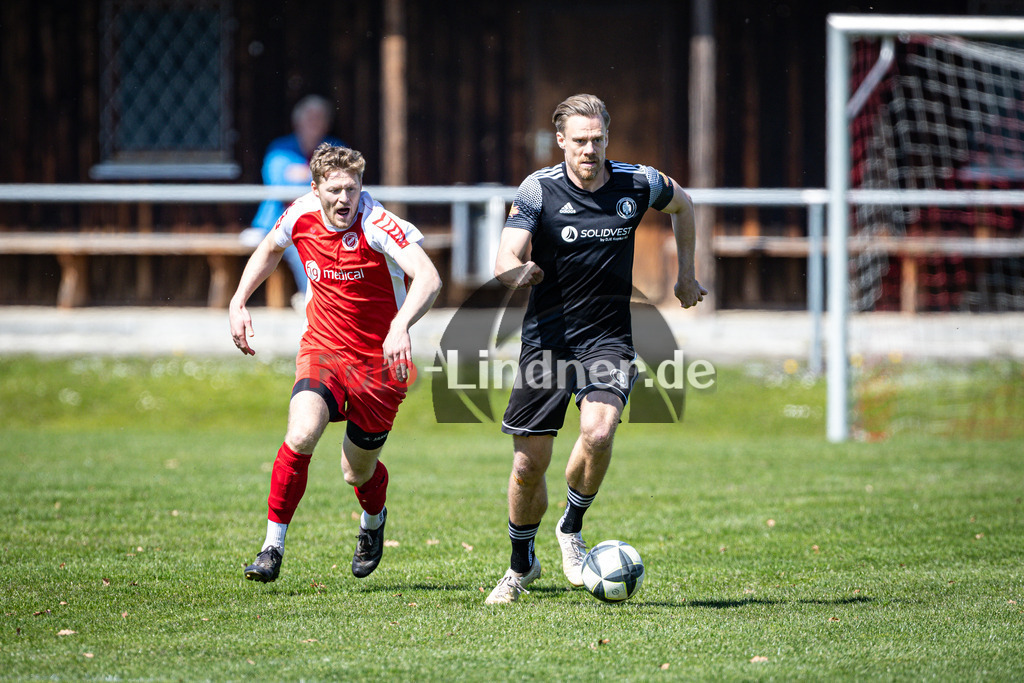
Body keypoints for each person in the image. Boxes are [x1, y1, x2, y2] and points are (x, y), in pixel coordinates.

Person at [485, 94, 706, 604]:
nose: (590, 148)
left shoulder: (637, 182)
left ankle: (571, 527)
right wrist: (518, 271)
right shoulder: (539, 190)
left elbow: (685, 204)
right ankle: (521, 566)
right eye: (580, 140)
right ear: (560, 140)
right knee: (527, 467)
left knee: (600, 431)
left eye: (598, 139)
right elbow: (505, 253)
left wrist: (687, 274)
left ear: (608, 136)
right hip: (547, 340)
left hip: (607, 336)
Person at [230, 143, 442, 583]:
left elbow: (429, 277)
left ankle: (373, 521)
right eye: (335, 189)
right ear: (316, 189)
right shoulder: (300, 213)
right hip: (322, 349)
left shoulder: (379, 223)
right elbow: (270, 248)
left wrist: (400, 325)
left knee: (355, 471)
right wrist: (238, 300)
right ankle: (272, 546)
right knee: (302, 431)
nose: (345, 199)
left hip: (379, 364)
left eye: (353, 187)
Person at [240, 94, 347, 300]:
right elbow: (278, 183)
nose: (314, 122)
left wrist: (303, 174)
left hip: (327, 219)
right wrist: (318, 176)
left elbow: (343, 181)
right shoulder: (280, 148)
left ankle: (328, 300)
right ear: (297, 121)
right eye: (309, 117)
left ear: (327, 123)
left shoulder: (337, 148)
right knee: (300, 242)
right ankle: (314, 299)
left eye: (320, 117)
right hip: (278, 219)